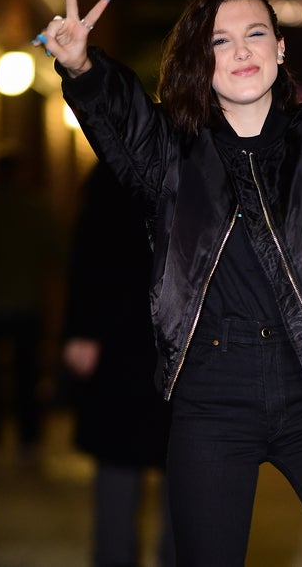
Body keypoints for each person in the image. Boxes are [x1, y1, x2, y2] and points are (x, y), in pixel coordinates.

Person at [33, 0, 302, 565]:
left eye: (255, 33)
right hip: (211, 399)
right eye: (220, 41)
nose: (241, 50)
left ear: (280, 49)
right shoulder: (170, 156)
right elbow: (120, 118)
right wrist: (80, 67)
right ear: (201, 62)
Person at [62, 161, 174, 567]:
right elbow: (89, 248)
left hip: (177, 340)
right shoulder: (118, 167)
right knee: (130, 463)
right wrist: (83, 329)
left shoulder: (196, 154)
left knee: (180, 466)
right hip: (126, 340)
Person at [0, 154, 63, 470]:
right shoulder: (36, 210)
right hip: (25, 305)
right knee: (26, 377)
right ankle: (28, 443)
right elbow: (58, 254)